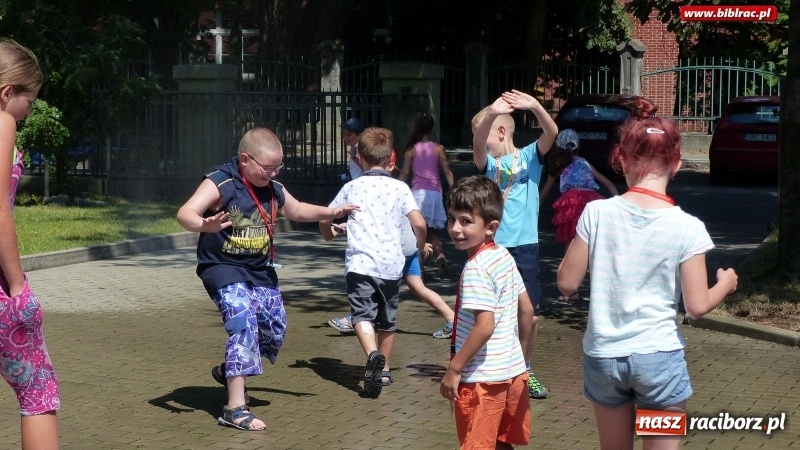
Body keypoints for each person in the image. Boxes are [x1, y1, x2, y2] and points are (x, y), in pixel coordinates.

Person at [556, 97, 738, 450]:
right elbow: (697, 306)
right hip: (658, 360)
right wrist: (726, 284)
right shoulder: (688, 227)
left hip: (605, 357)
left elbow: (566, 282)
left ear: (620, 159)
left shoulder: (596, 214)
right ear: (677, 164)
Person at [176, 127, 358, 430]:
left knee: (274, 329)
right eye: (267, 167)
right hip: (222, 267)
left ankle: (230, 370)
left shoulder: (272, 186)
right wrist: (204, 225)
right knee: (242, 322)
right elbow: (185, 213)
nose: (273, 173)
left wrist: (332, 211)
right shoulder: (221, 181)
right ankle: (235, 409)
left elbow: (297, 209)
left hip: (260, 270)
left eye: (278, 167)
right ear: (245, 159)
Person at [319, 127, 427, 398]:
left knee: (361, 315)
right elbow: (419, 222)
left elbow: (325, 218)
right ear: (390, 156)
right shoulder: (400, 187)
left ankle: (372, 354)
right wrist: (418, 244)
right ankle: (386, 369)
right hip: (391, 265)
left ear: (361, 158)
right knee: (387, 319)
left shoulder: (351, 187)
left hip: (360, 264)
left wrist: (329, 233)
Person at [470, 89, 557, 399]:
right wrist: (491, 113)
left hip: (525, 247)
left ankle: (524, 367)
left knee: (530, 314)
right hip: (494, 248)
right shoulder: (488, 164)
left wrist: (534, 105)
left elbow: (552, 131)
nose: (482, 140)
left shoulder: (531, 155)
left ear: (503, 132)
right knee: (493, 312)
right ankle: (494, 366)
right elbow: (479, 144)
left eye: (490, 132)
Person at [439, 175, 534, 450]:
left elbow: (485, 326)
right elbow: (526, 310)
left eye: (466, 221)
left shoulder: (476, 269)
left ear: (490, 226)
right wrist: (521, 360)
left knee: (477, 443)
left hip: (480, 380)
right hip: (511, 373)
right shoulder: (503, 256)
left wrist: (454, 369)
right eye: (451, 219)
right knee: (500, 443)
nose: (455, 229)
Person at [0, 38, 61, 450]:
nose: (29, 111)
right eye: (30, 100)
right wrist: (19, 286)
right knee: (38, 391)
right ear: (7, 92)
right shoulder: (2, 122)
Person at [327, 150, 455, 339]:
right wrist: (421, 244)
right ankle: (452, 318)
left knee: (369, 280)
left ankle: (359, 318)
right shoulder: (398, 190)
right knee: (417, 287)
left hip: (395, 250)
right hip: (409, 247)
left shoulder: (367, 189)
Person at [539, 129, 619, 301]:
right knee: (592, 246)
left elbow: (545, 191)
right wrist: (618, 202)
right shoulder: (584, 162)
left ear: (557, 146)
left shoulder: (559, 166)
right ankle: (601, 290)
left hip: (572, 203)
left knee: (571, 244)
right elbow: (608, 183)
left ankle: (570, 291)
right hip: (591, 201)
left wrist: (534, 207)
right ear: (578, 147)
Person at [398, 112, 455, 280]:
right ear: (432, 129)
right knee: (432, 231)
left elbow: (405, 172)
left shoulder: (411, 149)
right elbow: (447, 171)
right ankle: (440, 256)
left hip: (417, 194)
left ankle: (420, 269)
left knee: (417, 232)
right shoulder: (438, 149)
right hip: (435, 194)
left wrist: (398, 188)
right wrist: (453, 190)